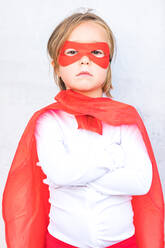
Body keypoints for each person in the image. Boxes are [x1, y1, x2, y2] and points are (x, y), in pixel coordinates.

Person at [2, 9, 164, 248]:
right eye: (72, 52)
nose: (85, 60)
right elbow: (59, 174)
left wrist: (73, 176)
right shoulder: (49, 121)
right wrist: (113, 158)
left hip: (122, 242)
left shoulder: (125, 119)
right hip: (62, 241)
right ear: (57, 66)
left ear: (107, 64)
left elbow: (140, 182)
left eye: (96, 52)